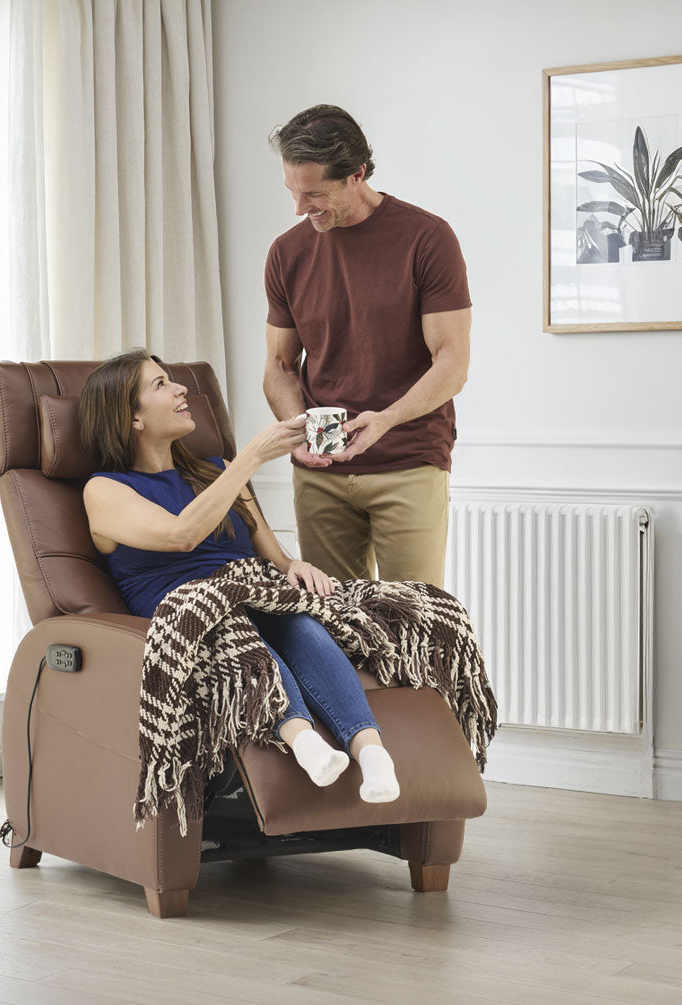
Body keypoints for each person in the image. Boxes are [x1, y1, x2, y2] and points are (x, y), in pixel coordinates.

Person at [80, 350, 400, 803]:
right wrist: (250, 458)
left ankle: (372, 753)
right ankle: (303, 740)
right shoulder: (105, 490)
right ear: (131, 418)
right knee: (233, 625)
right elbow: (181, 535)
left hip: (252, 590)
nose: (180, 389)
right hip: (192, 610)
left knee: (299, 621)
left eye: (173, 381)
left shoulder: (217, 469)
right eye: (160, 385)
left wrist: (294, 566)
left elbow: (269, 550)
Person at [263, 104, 472, 588]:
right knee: (334, 629)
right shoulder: (286, 253)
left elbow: (452, 362)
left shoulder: (426, 238)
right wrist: (300, 431)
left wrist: (386, 420)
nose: (299, 207)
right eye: (292, 191)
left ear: (356, 173)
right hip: (320, 474)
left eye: (313, 193)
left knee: (414, 625)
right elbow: (279, 364)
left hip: (408, 460)